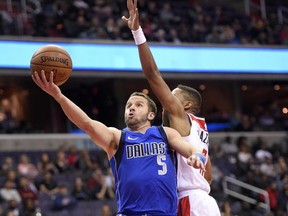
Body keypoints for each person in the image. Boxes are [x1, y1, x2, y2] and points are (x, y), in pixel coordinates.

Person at [31, 69, 205, 215]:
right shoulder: (117, 137)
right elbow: (87, 124)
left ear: (151, 115)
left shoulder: (165, 133)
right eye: (129, 105)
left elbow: (191, 150)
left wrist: (197, 157)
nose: (131, 108)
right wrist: (59, 96)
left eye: (138, 105)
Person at [121, 0, 221, 215]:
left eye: (172, 99)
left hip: (190, 201)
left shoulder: (181, 119)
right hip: (202, 200)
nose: (166, 105)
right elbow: (209, 176)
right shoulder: (200, 131)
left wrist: (137, 32)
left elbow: (153, 75)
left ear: (186, 105)